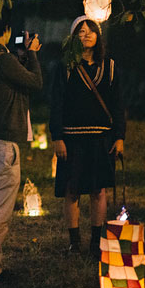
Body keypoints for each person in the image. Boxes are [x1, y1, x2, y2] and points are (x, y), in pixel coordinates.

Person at [0, 5, 43, 282]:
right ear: (5, 30)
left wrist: (21, 56)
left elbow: (15, 82)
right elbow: (36, 83)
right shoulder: (1, 58)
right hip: (3, 144)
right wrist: (33, 54)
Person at [49, 16, 126, 257]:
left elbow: (117, 103)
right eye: (80, 32)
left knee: (98, 190)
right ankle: (74, 241)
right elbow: (57, 103)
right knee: (72, 190)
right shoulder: (65, 66)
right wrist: (57, 136)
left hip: (101, 138)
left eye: (90, 31)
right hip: (72, 139)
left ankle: (96, 240)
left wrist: (120, 136)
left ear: (98, 35)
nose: (86, 35)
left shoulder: (110, 66)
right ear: (73, 37)